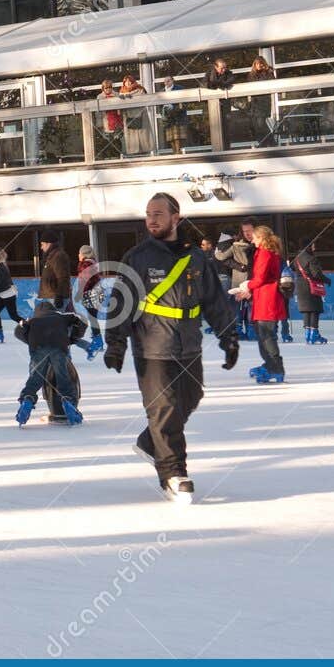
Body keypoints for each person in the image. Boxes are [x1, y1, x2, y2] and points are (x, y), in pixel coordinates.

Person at [103, 193, 241, 504]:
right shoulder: (137, 257)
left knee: (191, 397)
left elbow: (214, 300)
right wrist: (115, 343)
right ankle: (174, 474)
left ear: (176, 218)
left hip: (189, 345)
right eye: (148, 213)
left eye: (159, 214)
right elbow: (121, 302)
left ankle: (150, 440)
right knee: (163, 409)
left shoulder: (195, 257)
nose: (152, 219)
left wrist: (228, 336)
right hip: (151, 346)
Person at [13, 300, 87, 426]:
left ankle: (27, 399)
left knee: (35, 378)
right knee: (63, 378)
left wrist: (31, 340)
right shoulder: (62, 316)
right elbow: (82, 321)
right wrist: (72, 338)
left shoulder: (31, 320)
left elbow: (18, 330)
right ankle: (69, 403)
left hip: (38, 349)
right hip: (58, 347)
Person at [37, 229, 78, 420]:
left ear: (50, 242)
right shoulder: (51, 256)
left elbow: (63, 278)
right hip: (50, 299)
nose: (41, 246)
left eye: (43, 243)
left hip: (55, 300)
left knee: (57, 336)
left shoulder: (58, 256)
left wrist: (60, 298)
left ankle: (61, 360)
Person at [246, 225, 287, 384]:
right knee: (265, 335)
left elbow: (260, 278)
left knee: (266, 336)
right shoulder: (269, 252)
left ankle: (275, 368)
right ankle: (270, 365)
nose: (253, 241)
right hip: (265, 297)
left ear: (262, 238)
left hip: (266, 299)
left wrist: (246, 286)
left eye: (255, 238)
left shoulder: (264, 253)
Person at [216, 224, 254, 339]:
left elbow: (221, 257)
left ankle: (236, 329)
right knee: (249, 306)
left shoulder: (233, 246)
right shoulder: (253, 246)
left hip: (237, 280)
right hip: (249, 279)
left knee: (237, 306)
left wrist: (216, 252)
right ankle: (251, 331)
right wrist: (243, 267)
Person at [293, 237, 329, 345]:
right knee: (314, 310)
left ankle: (308, 335)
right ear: (308, 246)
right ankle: (314, 335)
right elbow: (316, 274)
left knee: (306, 311)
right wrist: (327, 280)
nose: (314, 246)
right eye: (312, 244)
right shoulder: (311, 258)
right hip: (311, 286)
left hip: (300, 286)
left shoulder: (297, 258)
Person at [74, 245, 104, 359]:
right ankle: (97, 340)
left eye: (79, 253)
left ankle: (97, 341)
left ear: (84, 254)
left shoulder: (86, 264)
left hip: (91, 294)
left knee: (91, 318)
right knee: (92, 317)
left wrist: (80, 293)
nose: (78, 255)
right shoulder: (93, 263)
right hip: (95, 293)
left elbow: (86, 280)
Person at [0, 248, 21, 345]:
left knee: (14, 316)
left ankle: (28, 326)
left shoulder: (0, 267)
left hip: (8, 294)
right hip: (4, 294)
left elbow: (0, 283)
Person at [119, 73, 151, 155]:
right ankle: (133, 152)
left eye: (129, 81)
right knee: (132, 136)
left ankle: (145, 151)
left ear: (133, 81)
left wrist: (130, 96)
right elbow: (119, 104)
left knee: (142, 135)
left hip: (141, 115)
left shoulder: (140, 89)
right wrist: (125, 97)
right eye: (126, 82)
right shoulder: (121, 92)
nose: (128, 83)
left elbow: (143, 98)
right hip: (129, 116)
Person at [247, 57, 276, 146]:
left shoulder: (268, 73)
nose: (259, 65)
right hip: (254, 103)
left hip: (264, 102)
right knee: (257, 125)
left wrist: (266, 71)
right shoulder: (251, 75)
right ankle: (266, 143)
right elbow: (250, 86)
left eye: (261, 63)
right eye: (257, 64)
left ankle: (269, 143)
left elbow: (272, 83)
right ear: (254, 65)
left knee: (261, 124)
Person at [161, 76, 190, 154]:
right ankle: (175, 153)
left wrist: (174, 108)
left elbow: (184, 102)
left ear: (173, 81)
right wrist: (164, 110)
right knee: (171, 138)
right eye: (165, 81)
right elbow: (159, 104)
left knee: (178, 138)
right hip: (168, 118)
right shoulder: (163, 91)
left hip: (178, 116)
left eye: (168, 80)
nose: (167, 82)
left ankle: (178, 153)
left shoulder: (179, 88)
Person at [98, 78, 123, 158]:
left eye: (110, 87)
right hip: (106, 122)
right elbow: (98, 113)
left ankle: (118, 156)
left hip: (116, 122)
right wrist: (99, 125)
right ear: (103, 88)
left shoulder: (116, 95)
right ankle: (107, 157)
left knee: (117, 141)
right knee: (107, 141)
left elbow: (121, 108)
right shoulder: (100, 97)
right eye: (106, 88)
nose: (108, 89)